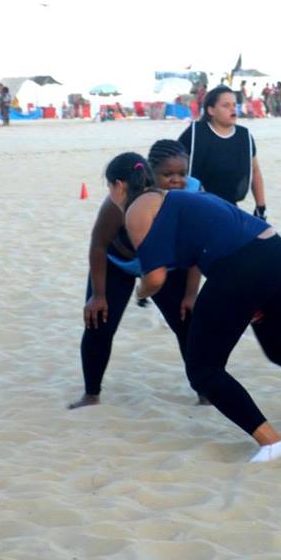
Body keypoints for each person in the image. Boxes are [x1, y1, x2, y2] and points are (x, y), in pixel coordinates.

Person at [106, 151, 281, 462]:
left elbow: (154, 278)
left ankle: (272, 442)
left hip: (241, 266)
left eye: (110, 191)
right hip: (276, 253)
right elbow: (200, 247)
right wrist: (190, 292)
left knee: (203, 370)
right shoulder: (181, 197)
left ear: (118, 186)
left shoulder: (137, 210)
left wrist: (141, 292)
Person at [69, 141, 205, 410]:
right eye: (168, 175)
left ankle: (206, 391)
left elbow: (198, 247)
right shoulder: (120, 200)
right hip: (119, 264)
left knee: (187, 324)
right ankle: (91, 394)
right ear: (150, 174)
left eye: (182, 173)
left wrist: (191, 293)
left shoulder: (194, 192)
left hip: (167, 265)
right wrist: (98, 295)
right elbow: (98, 244)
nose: (177, 181)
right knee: (99, 324)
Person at [178, 85, 267, 218]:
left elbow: (254, 171)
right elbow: (170, 163)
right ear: (211, 110)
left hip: (230, 207)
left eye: (234, 105)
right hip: (196, 206)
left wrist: (260, 206)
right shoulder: (195, 133)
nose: (233, 109)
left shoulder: (244, 136)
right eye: (226, 105)